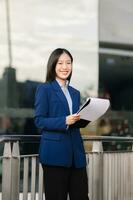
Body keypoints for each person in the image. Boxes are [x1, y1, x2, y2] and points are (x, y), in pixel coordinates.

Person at [34, 48, 89, 200]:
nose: (65, 67)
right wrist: (64, 120)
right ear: (53, 65)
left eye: (68, 63)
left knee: (81, 196)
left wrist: (85, 118)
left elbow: (74, 121)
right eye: (60, 63)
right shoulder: (44, 89)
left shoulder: (75, 92)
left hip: (76, 155)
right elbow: (39, 120)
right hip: (54, 155)